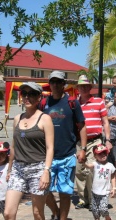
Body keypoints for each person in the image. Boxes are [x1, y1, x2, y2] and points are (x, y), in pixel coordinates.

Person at [4, 82, 54, 220]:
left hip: (38, 168)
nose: (27, 97)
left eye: (31, 94)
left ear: (39, 97)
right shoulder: (17, 119)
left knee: (37, 213)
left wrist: (46, 171)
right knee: (8, 213)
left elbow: (50, 148)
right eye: (24, 94)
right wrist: (9, 170)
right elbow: (14, 146)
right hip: (18, 169)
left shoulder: (45, 119)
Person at [42, 71, 87, 220]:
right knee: (44, 190)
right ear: (50, 84)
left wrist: (83, 149)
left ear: (63, 84)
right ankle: (55, 211)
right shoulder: (44, 103)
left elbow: (82, 126)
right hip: (47, 156)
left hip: (67, 155)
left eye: (58, 82)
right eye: (52, 82)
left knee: (65, 192)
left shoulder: (72, 103)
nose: (55, 85)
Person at [74, 75, 113, 211]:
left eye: (86, 86)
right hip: (79, 142)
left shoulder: (98, 102)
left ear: (90, 88)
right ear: (77, 88)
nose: (83, 88)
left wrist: (108, 140)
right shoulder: (74, 104)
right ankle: (82, 198)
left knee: (91, 170)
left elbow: (105, 122)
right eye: (81, 86)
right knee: (79, 171)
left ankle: (92, 200)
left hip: (95, 140)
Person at [84, 144, 116, 220]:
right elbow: (88, 166)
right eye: (100, 154)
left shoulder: (110, 165)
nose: (103, 155)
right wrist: (82, 162)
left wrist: (113, 188)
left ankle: (108, 218)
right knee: (95, 211)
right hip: (94, 192)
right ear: (95, 156)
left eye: (104, 153)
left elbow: (113, 177)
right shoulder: (95, 164)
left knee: (103, 209)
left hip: (105, 192)